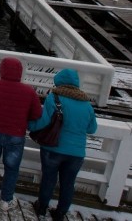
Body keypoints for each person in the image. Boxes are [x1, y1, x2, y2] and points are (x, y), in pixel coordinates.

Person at [0, 57, 42, 209]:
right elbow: (36, 114)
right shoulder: (29, 91)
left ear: (2, 70)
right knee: (11, 168)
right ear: (20, 72)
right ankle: (6, 200)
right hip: (16, 135)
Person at [30, 69, 97, 220]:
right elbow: (92, 128)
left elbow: (45, 121)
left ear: (59, 81)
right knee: (68, 184)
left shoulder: (54, 97)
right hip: (77, 153)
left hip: (53, 148)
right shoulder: (86, 103)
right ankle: (60, 213)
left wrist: (30, 126)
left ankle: (41, 208)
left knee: (49, 179)